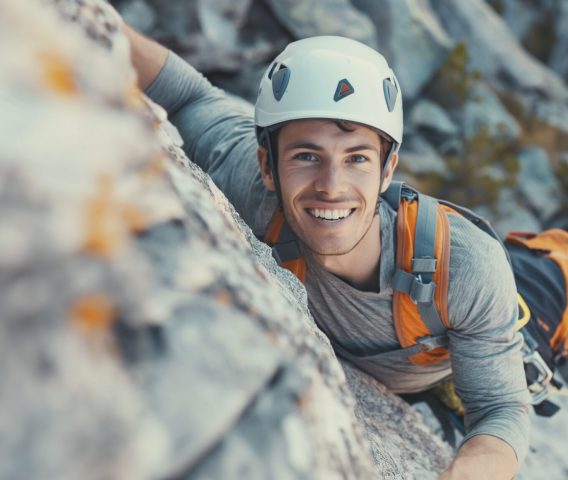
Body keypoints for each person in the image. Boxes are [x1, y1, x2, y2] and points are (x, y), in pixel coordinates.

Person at [124, 23, 531, 480]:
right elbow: (189, 96)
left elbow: (501, 408)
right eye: (306, 156)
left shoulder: (463, 268)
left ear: (387, 170)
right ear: (267, 166)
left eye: (357, 158)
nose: (331, 187)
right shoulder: (256, 193)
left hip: (456, 355)